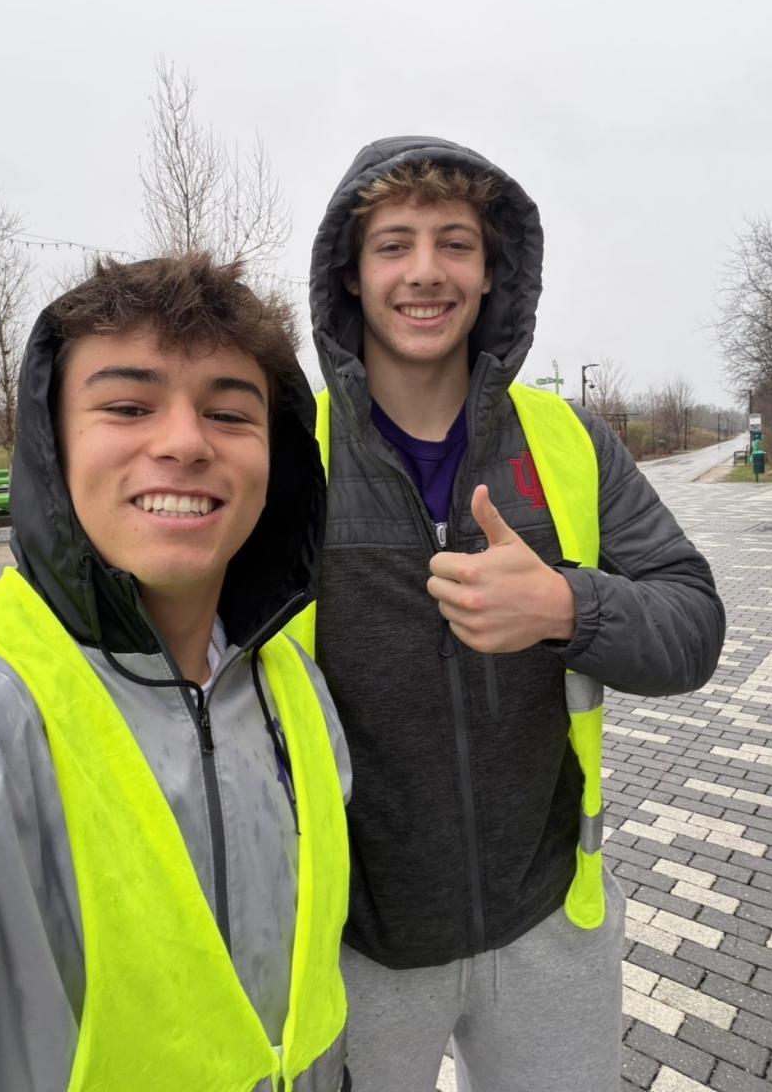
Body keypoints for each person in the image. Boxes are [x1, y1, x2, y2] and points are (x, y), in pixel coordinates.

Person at [289, 136, 725, 1091]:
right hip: (350, 950)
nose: (425, 271)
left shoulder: (569, 442)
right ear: (351, 275)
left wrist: (568, 604)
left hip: (549, 929)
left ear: (492, 272)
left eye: (455, 242)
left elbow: (693, 625)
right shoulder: (288, 458)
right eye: (394, 244)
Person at [0, 253, 351, 1092]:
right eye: (129, 406)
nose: (185, 442)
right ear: (52, 444)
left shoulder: (296, 689)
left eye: (229, 414)